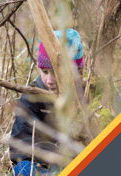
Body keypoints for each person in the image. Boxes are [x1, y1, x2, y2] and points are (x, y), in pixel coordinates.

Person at [10, 28, 84, 176]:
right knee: (22, 170)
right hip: (41, 165)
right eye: (44, 72)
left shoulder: (88, 93)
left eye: (56, 73)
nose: (49, 81)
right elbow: (19, 143)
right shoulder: (32, 96)